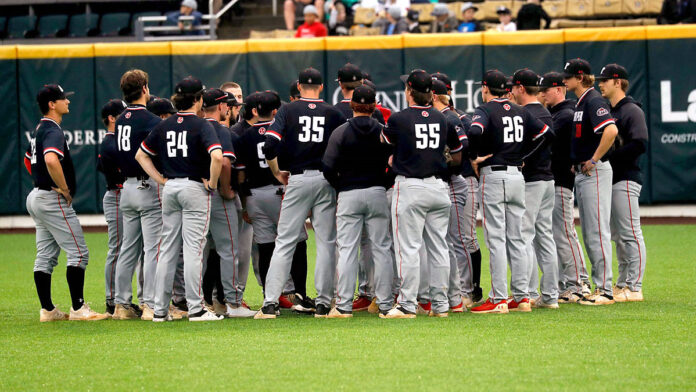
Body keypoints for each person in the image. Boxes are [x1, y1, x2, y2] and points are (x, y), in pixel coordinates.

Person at [255, 68, 346, 319]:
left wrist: (276, 171)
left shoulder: (288, 110)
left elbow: (270, 144)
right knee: (327, 243)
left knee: (284, 241)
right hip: (326, 180)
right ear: (321, 87)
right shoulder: (332, 113)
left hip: (297, 178)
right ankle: (324, 303)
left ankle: (271, 303)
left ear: (298, 86)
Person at [137, 76, 224, 322]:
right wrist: (213, 182)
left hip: (171, 188)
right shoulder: (201, 124)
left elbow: (141, 155)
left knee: (167, 251)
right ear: (198, 99)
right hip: (194, 188)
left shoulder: (164, 124)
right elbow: (217, 157)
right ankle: (196, 309)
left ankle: (159, 310)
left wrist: (161, 180)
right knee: (193, 250)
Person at [467, 70, 554, 314]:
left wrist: (475, 157)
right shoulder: (521, 110)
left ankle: (499, 299)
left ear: (485, 88)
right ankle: (523, 297)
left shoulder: (485, 110)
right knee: (517, 240)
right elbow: (547, 134)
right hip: (517, 176)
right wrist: (521, 155)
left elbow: (474, 132)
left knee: (496, 239)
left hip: (494, 175)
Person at [380, 69, 465, 318]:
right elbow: (458, 154)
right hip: (439, 187)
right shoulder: (443, 118)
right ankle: (440, 305)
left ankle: (407, 304)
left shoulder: (399, 119)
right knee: (438, 247)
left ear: (409, 91)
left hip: (411, 187)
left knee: (409, 248)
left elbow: (383, 141)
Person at [26, 84, 107, 322]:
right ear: (52, 104)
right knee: (79, 253)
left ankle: (48, 310)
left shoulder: (39, 128)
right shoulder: (52, 129)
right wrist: (63, 187)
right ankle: (79, 308)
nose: (68, 102)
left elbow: (27, 160)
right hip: (51, 199)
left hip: (37, 196)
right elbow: (51, 160)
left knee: (45, 256)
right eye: (64, 98)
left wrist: (40, 179)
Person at [236, 91, 315, 313]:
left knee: (265, 247)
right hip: (281, 192)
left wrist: (244, 202)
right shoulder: (283, 131)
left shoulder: (245, 136)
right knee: (297, 243)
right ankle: (299, 294)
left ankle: (269, 299)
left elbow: (240, 174)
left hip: (255, 195)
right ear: (275, 111)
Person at [323, 85, 394, 318]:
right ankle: (385, 303)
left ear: (352, 105)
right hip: (376, 192)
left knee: (347, 250)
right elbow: (395, 163)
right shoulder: (383, 130)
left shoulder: (341, 131)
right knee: (382, 249)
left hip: (349, 193)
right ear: (374, 106)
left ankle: (343, 305)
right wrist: (384, 182)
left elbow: (328, 167)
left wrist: (340, 185)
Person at [562, 58, 619, 306]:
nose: (565, 80)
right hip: (584, 173)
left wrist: (594, 159)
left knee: (597, 232)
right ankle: (600, 286)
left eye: (569, 76)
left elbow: (611, 130)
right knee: (591, 232)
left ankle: (605, 290)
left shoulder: (594, 100)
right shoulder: (581, 101)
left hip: (594, 172)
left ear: (581, 77)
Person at [200, 88, 258, 318]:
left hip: (196, 192)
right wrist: (224, 188)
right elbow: (224, 163)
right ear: (222, 107)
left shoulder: (195, 127)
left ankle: (195, 302)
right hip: (217, 196)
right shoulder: (219, 129)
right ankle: (233, 303)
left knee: (198, 252)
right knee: (229, 250)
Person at [112, 69, 163, 321]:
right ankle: (150, 305)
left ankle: (122, 304)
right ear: (144, 88)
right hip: (146, 186)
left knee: (128, 249)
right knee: (153, 249)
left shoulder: (120, 119)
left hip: (126, 189)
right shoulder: (151, 120)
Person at [597, 64, 648, 302]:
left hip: (626, 177)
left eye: (605, 80)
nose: (600, 83)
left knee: (630, 232)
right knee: (617, 235)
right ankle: (623, 282)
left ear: (618, 82)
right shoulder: (607, 109)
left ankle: (635, 285)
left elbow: (640, 143)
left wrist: (608, 157)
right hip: (611, 179)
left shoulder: (631, 110)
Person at [538, 72, 590, 303]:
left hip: (561, 180)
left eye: (545, 90)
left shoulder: (565, 114)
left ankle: (579, 283)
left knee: (564, 233)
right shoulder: (556, 113)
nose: (541, 94)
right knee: (557, 233)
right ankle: (570, 282)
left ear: (559, 89)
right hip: (554, 180)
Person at [510, 68, 559, 309]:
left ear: (521, 88)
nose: (510, 91)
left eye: (513, 87)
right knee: (544, 237)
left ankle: (527, 292)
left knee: (524, 236)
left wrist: (523, 157)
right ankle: (550, 296)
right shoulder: (544, 111)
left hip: (532, 181)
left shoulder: (527, 113)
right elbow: (549, 137)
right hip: (547, 179)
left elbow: (546, 137)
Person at [432, 72, 482, 305]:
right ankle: (462, 290)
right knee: (456, 239)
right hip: (455, 181)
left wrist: (475, 159)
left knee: (463, 238)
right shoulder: (446, 116)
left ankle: (469, 290)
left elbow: (465, 146)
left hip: (461, 179)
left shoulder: (453, 117)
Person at [430, 79, 470, 312]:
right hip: (448, 184)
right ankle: (455, 295)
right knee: (446, 242)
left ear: (433, 95)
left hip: (453, 183)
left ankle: (461, 294)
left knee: (454, 242)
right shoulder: (443, 117)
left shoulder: (450, 118)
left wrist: (442, 163)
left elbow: (461, 152)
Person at [97, 99, 127, 318]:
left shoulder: (118, 140)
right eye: (122, 113)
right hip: (116, 195)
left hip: (121, 194)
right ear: (111, 118)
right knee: (116, 248)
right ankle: (111, 299)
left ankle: (120, 299)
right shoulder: (110, 142)